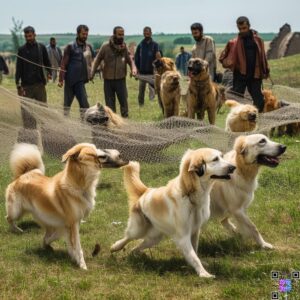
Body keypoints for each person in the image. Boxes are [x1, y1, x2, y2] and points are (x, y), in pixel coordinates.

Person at [219, 16, 269, 112]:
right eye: (240, 29)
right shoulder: (233, 43)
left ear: (249, 26)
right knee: (237, 99)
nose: (242, 31)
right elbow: (222, 58)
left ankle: (256, 119)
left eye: (244, 28)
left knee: (259, 100)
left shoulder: (258, 41)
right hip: (240, 75)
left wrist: (266, 70)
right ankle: (237, 121)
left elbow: (263, 57)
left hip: (255, 75)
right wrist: (229, 62)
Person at [91, 26, 136, 118]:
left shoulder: (124, 47)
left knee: (124, 103)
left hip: (121, 80)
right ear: (114, 34)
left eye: (123, 34)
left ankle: (125, 123)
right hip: (108, 81)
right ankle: (113, 124)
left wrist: (133, 69)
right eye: (119, 34)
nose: (121, 36)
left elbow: (130, 60)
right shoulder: (105, 46)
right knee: (110, 106)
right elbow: (97, 60)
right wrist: (92, 73)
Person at [15, 26, 52, 128]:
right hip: (26, 86)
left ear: (34, 34)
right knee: (27, 113)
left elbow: (47, 62)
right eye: (26, 36)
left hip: (40, 85)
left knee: (43, 110)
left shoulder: (41, 47)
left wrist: (50, 72)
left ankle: (46, 132)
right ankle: (30, 134)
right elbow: (18, 68)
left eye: (30, 36)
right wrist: (18, 85)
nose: (28, 38)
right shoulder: (21, 50)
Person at [59, 25, 94, 119]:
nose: (85, 36)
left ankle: (84, 123)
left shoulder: (88, 47)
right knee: (67, 105)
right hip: (70, 80)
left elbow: (92, 61)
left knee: (84, 105)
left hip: (80, 81)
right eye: (83, 34)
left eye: (86, 34)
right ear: (78, 33)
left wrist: (91, 73)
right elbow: (63, 63)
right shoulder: (70, 46)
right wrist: (61, 79)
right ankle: (65, 123)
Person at [134, 27, 160, 106]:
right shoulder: (140, 45)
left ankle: (154, 105)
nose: (146, 34)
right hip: (142, 72)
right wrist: (137, 69)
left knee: (154, 90)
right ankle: (141, 104)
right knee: (141, 89)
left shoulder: (155, 45)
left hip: (152, 72)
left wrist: (157, 70)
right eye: (145, 33)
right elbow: (136, 58)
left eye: (148, 33)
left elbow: (158, 58)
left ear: (151, 33)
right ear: (143, 34)